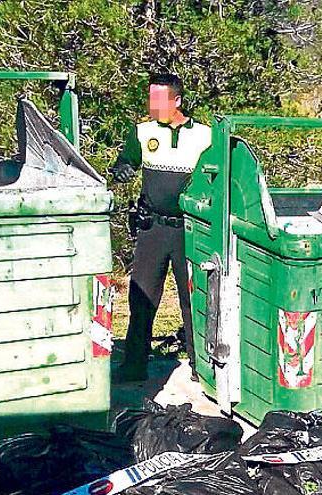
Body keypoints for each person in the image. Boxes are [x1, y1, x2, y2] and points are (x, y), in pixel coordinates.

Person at [110, 73, 211, 382]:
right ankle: (134, 364)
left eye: (159, 99)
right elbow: (124, 162)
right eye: (150, 99)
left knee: (193, 300)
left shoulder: (206, 136)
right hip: (152, 228)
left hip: (189, 231)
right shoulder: (142, 132)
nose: (152, 106)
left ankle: (201, 367)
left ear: (177, 101)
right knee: (142, 297)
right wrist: (122, 168)